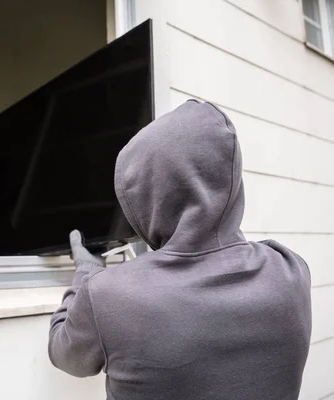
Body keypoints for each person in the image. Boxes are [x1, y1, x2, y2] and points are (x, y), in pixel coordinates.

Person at [48, 100, 312, 400]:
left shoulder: (108, 295)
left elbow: (63, 352)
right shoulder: (290, 270)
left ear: (145, 196)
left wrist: (85, 274)